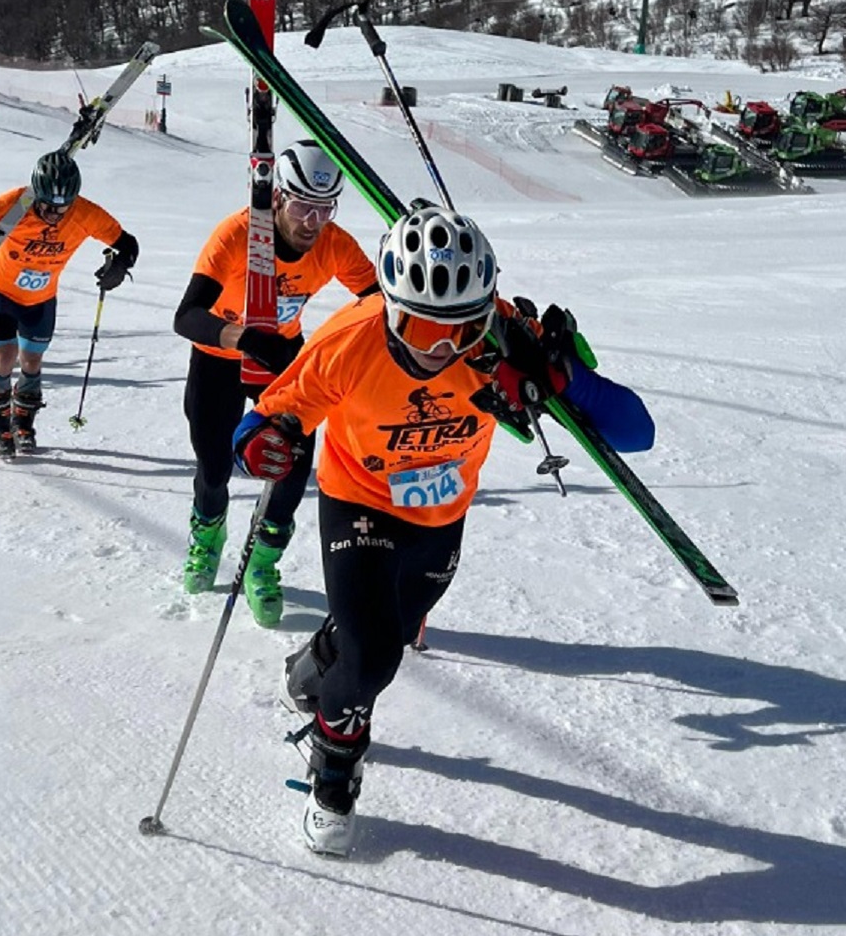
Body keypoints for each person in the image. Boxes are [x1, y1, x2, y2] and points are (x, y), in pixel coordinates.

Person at [233, 204, 655, 856]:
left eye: (458, 328)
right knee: (377, 655)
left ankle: (318, 666)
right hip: (359, 497)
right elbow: (266, 418)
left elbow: (636, 431)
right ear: (388, 300)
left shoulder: (501, 341)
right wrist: (266, 443)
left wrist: (560, 376)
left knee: (383, 631)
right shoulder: (351, 338)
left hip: (440, 515)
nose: (437, 347)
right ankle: (335, 771)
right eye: (419, 323)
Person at [171, 141, 378, 625]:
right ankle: (207, 537)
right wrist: (241, 338)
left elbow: (376, 301)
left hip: (284, 359)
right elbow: (187, 316)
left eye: (324, 209)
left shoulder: (334, 244)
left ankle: (262, 563)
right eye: (304, 206)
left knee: (289, 467)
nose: (313, 222)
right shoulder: (238, 234)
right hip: (219, 357)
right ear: (279, 198)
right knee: (214, 465)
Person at [0, 151, 138, 457]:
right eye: (47, 206)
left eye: (63, 208)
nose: (55, 214)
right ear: (36, 194)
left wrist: (120, 266)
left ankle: (23, 421)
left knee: (31, 362)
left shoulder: (85, 213)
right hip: (1, 291)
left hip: (41, 298)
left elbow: (128, 243)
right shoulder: (17, 203)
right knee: (5, 357)